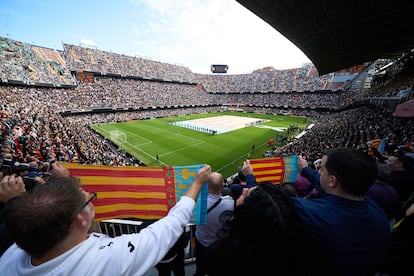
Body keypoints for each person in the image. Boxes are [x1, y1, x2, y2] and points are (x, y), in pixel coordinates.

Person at [0, 162, 212, 275]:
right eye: (87, 198)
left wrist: (15, 203)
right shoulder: (108, 260)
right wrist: (196, 183)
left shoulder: (10, 255)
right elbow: (171, 225)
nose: (88, 195)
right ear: (79, 220)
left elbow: (22, 218)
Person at [293, 148, 391, 276]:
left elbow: (266, 202)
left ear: (332, 180)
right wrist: (306, 170)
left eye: (321, 169)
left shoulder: (306, 212)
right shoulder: (376, 211)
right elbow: (330, 187)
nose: (319, 172)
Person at [204, 181, 306, 276]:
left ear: (246, 210)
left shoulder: (220, 251)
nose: (244, 190)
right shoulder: (292, 247)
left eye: (246, 194)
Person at [194, 172, 234, 276]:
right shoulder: (230, 203)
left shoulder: (198, 204)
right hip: (219, 244)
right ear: (222, 185)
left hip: (201, 243)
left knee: (200, 267)